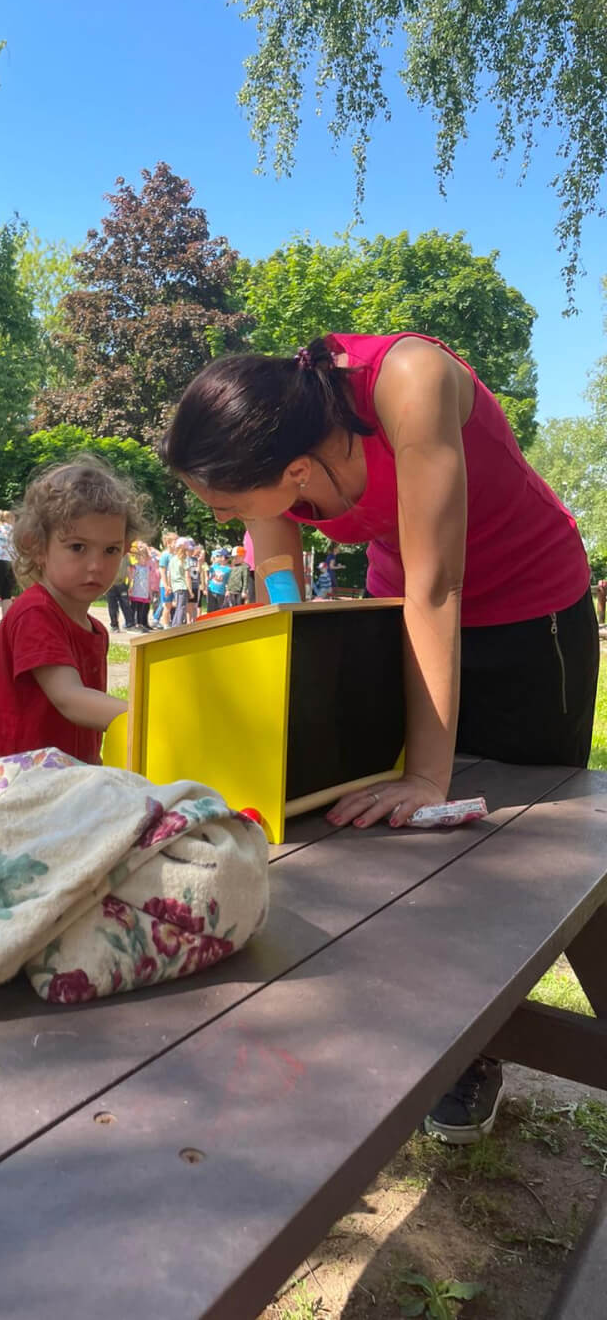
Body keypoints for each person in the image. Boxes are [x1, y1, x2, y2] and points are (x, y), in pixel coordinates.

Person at [163, 332, 599, 1144]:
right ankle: (449, 1039)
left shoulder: (409, 381)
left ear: (296, 470)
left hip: (528, 613)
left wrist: (429, 775)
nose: (218, 518)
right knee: (396, 837)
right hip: (402, 614)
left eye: (224, 502)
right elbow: (283, 588)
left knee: (516, 840)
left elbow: (439, 588)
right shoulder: (276, 441)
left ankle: (493, 1031)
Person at [0, 456, 152, 765]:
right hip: (19, 781)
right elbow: (69, 698)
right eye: (77, 547)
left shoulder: (94, 629)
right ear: (37, 547)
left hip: (66, 777)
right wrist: (150, 718)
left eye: (110, 550)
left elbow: (82, 729)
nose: (96, 565)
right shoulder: (35, 613)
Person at [106, 547, 134, 632]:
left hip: (122, 584)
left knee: (126, 604)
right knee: (112, 606)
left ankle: (129, 624)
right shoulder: (108, 554)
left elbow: (129, 570)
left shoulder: (126, 556)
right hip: (110, 585)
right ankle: (114, 625)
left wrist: (130, 583)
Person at [128, 542, 153, 630]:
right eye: (141, 556)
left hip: (144, 593)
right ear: (138, 557)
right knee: (133, 608)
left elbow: (148, 581)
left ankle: (140, 623)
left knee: (141, 609)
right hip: (136, 592)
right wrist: (130, 588)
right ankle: (131, 623)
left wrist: (150, 593)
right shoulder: (135, 567)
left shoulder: (148, 568)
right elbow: (131, 579)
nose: (143, 559)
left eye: (145, 557)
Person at [169, 537, 192, 626]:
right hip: (182, 587)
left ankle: (175, 625)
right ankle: (177, 626)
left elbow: (169, 574)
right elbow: (187, 577)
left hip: (175, 587)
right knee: (181, 608)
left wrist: (170, 586)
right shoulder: (185, 560)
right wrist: (190, 591)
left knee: (179, 607)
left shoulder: (173, 559)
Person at [206, 547, 232, 612]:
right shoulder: (214, 566)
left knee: (220, 610)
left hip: (221, 592)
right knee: (211, 609)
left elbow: (229, 581)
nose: (225, 559)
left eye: (227, 558)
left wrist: (228, 590)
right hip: (211, 590)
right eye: (220, 556)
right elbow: (209, 574)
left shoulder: (229, 569)